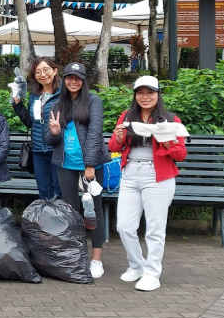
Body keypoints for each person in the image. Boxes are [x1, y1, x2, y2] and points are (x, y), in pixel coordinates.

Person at [108, 75, 187, 292]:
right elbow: (114, 145)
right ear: (135, 95)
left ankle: (153, 273)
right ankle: (136, 265)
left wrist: (169, 142)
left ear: (158, 95)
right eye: (140, 92)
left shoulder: (170, 120)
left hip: (158, 176)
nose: (145, 97)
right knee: (124, 226)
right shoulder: (127, 116)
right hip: (131, 173)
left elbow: (180, 154)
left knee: (154, 228)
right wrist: (119, 137)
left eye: (150, 92)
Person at [45, 62, 108, 279]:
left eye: (78, 77)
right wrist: (54, 133)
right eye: (69, 77)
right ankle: (76, 255)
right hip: (65, 165)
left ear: (84, 80)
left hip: (90, 166)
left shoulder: (93, 101)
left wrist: (89, 165)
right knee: (71, 211)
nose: (73, 81)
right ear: (63, 79)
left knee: (93, 210)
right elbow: (49, 140)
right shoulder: (56, 105)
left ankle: (96, 259)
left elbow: (95, 134)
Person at [12, 57, 62, 200]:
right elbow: (30, 122)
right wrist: (18, 104)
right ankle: (45, 220)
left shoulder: (63, 92)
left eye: (46, 69)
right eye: (37, 72)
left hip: (57, 149)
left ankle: (63, 221)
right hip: (39, 150)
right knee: (44, 191)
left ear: (54, 71)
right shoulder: (35, 95)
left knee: (59, 191)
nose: (42, 74)